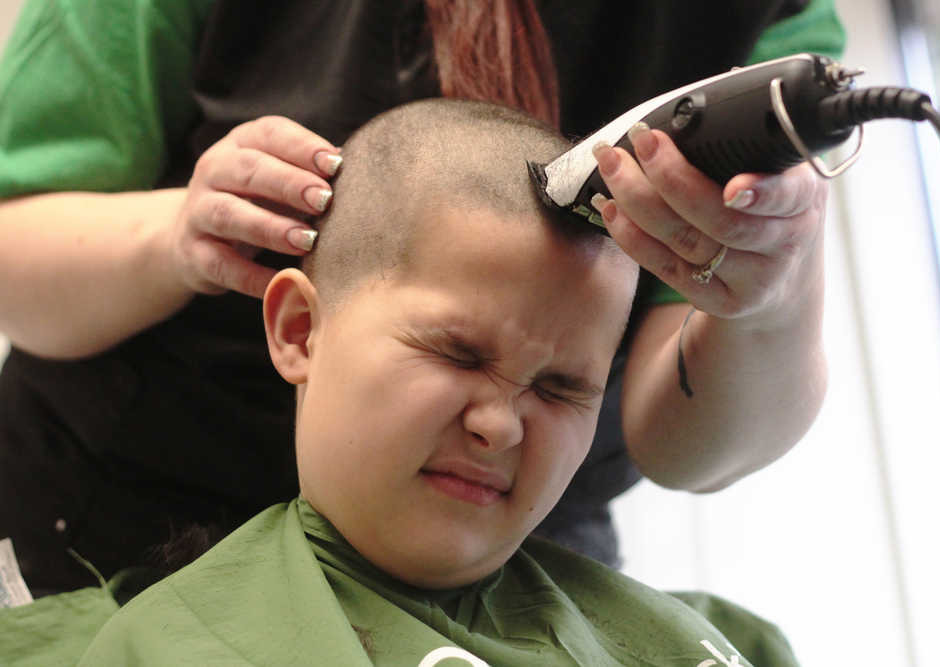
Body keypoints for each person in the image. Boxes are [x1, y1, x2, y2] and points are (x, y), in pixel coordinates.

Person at [0, 0, 843, 593]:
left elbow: (689, 446)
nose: (499, 420)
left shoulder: (766, 16)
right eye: (455, 351)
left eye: (558, 386)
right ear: (297, 328)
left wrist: (769, 293)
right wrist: (178, 235)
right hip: (118, 516)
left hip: (503, 565)